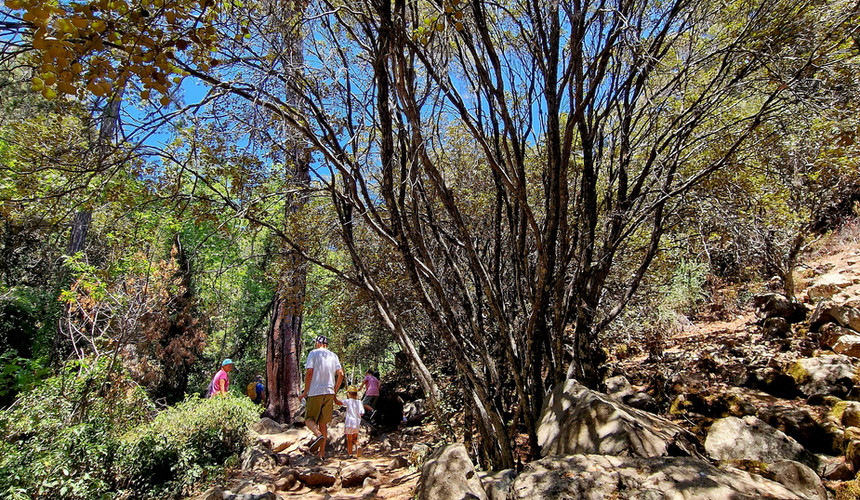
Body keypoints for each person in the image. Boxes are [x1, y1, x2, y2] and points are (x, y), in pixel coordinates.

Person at [300, 335, 344, 459]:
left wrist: (305, 392)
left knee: (308, 419)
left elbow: (309, 372)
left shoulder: (313, 353)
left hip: (315, 392)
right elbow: (341, 374)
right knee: (323, 423)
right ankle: (321, 454)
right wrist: (334, 391)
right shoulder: (333, 356)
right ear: (327, 345)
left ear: (318, 344)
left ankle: (318, 435)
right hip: (329, 392)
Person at [343, 385, 365, 457]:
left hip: (349, 423)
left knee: (349, 439)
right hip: (356, 423)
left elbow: (338, 402)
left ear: (348, 394)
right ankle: (357, 445)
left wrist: (333, 397)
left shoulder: (348, 401)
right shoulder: (359, 402)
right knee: (354, 438)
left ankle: (350, 454)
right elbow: (362, 412)